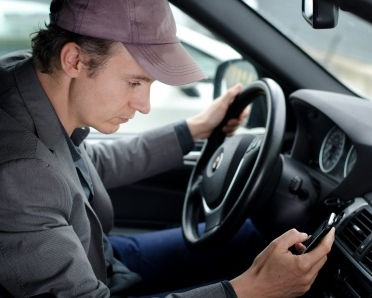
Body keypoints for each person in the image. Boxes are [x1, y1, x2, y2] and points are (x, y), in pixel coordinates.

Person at [0, 0, 335, 297]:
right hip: (98, 277)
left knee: (250, 236)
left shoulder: (27, 80)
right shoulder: (20, 174)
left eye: (149, 83)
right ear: (74, 60)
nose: (144, 105)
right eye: (134, 82)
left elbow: (88, 164)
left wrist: (195, 129)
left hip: (102, 256)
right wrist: (249, 291)